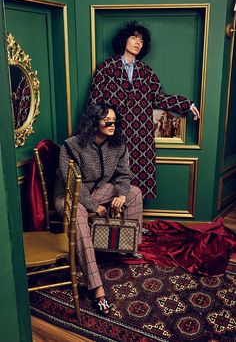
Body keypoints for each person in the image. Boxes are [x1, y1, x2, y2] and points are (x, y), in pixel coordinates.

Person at [88, 20, 200, 199]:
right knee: (113, 182)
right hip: (114, 135)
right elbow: (94, 104)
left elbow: (160, 98)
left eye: (141, 40)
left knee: (138, 183)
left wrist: (187, 104)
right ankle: (114, 224)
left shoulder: (146, 72)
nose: (137, 42)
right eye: (133, 38)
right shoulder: (106, 68)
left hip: (141, 137)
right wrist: (93, 134)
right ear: (124, 40)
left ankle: (133, 224)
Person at [54, 103, 143, 316]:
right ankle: (97, 288)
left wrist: (121, 194)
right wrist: (96, 207)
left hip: (96, 189)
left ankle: (129, 245)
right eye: (107, 121)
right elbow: (71, 183)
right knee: (78, 218)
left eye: (115, 120)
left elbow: (123, 175)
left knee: (134, 193)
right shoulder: (71, 146)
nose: (113, 124)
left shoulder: (118, 145)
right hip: (68, 195)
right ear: (94, 122)